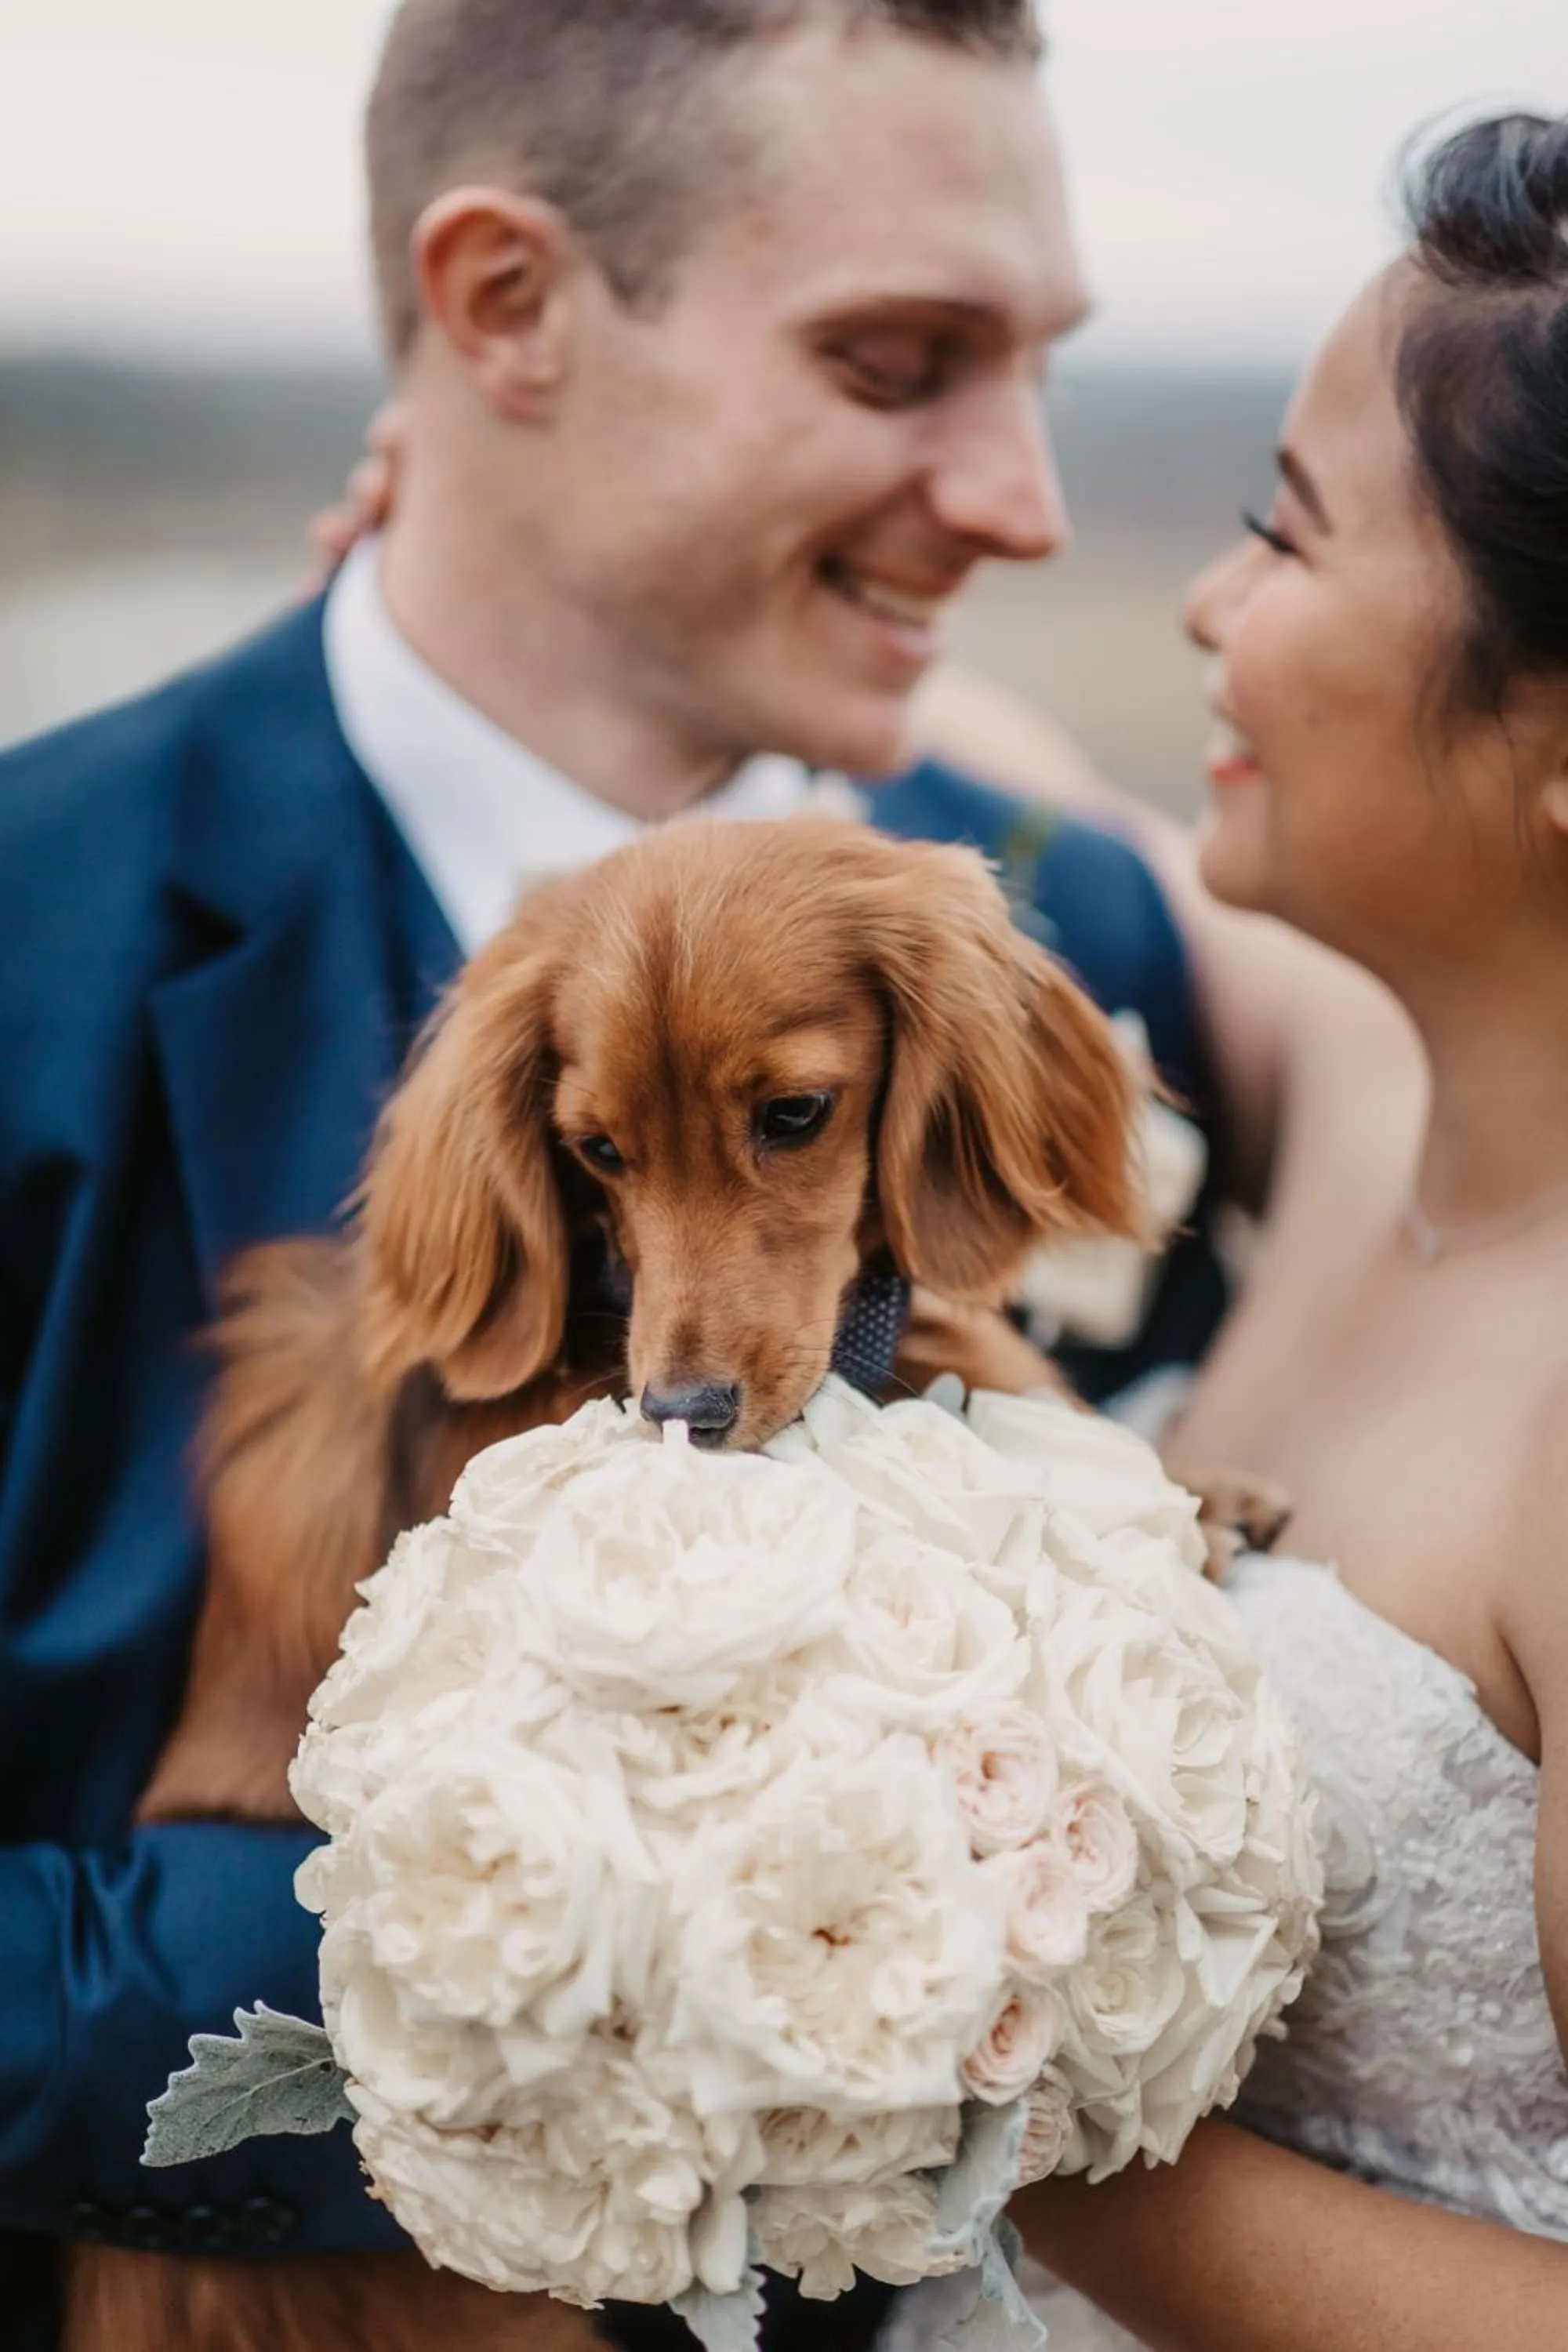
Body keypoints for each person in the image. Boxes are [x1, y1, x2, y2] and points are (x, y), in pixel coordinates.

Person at [0, 6, 1225, 2348]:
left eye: (1046, 372)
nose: (1030, 505)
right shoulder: (14, 935)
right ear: (503, 311)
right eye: (899, 361)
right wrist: (555, 1954)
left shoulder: (1100, 938)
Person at [895, 109, 1568, 2351]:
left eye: (1282, 534)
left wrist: (936, 2100)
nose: (1202, 598)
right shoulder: (1382, 1075)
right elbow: (1027, 808)